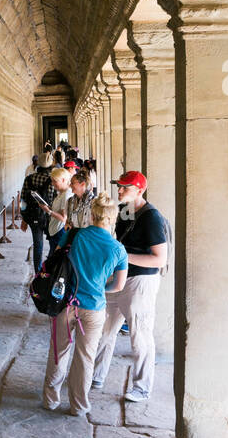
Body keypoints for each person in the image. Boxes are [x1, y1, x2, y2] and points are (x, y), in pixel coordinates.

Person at [42, 191, 128, 415]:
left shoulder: (74, 235)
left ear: (92, 215)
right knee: (85, 358)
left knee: (58, 352)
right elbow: (118, 286)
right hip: (93, 308)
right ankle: (78, 405)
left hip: (65, 303)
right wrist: (100, 287)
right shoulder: (118, 250)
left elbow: (57, 259)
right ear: (112, 218)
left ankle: (51, 399)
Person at [90, 170, 169, 402]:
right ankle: (96, 375)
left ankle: (142, 387)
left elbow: (159, 259)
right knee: (105, 328)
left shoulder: (152, 218)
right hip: (119, 278)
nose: (120, 190)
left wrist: (123, 255)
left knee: (140, 334)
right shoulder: (124, 210)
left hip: (141, 281)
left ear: (140, 190)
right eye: (119, 186)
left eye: (125, 187)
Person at [19, 155, 55, 271]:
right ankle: (49, 269)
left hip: (34, 216)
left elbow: (23, 200)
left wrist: (24, 218)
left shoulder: (29, 179)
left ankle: (37, 272)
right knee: (54, 244)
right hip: (50, 217)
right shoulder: (53, 180)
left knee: (37, 244)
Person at [46, 165, 73, 257]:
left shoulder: (66, 194)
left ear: (63, 180)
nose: (53, 184)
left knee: (54, 259)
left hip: (59, 230)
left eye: (55, 181)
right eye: (52, 181)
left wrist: (48, 211)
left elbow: (63, 218)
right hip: (55, 230)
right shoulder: (61, 192)